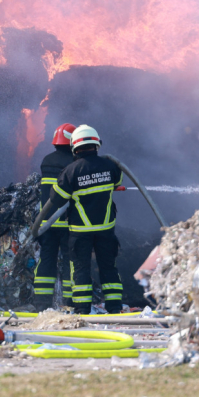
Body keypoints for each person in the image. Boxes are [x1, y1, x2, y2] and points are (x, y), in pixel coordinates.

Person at [46, 125, 124, 314]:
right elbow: (117, 183)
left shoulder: (71, 171)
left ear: (74, 147)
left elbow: (56, 199)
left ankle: (82, 310)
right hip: (106, 228)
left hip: (81, 231)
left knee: (80, 269)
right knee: (109, 267)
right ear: (96, 144)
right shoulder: (111, 166)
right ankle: (114, 308)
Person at [33, 123, 76, 310]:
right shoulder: (75, 163)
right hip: (68, 223)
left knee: (46, 261)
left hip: (47, 223)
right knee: (70, 261)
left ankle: (42, 303)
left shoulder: (46, 160)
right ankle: (69, 303)